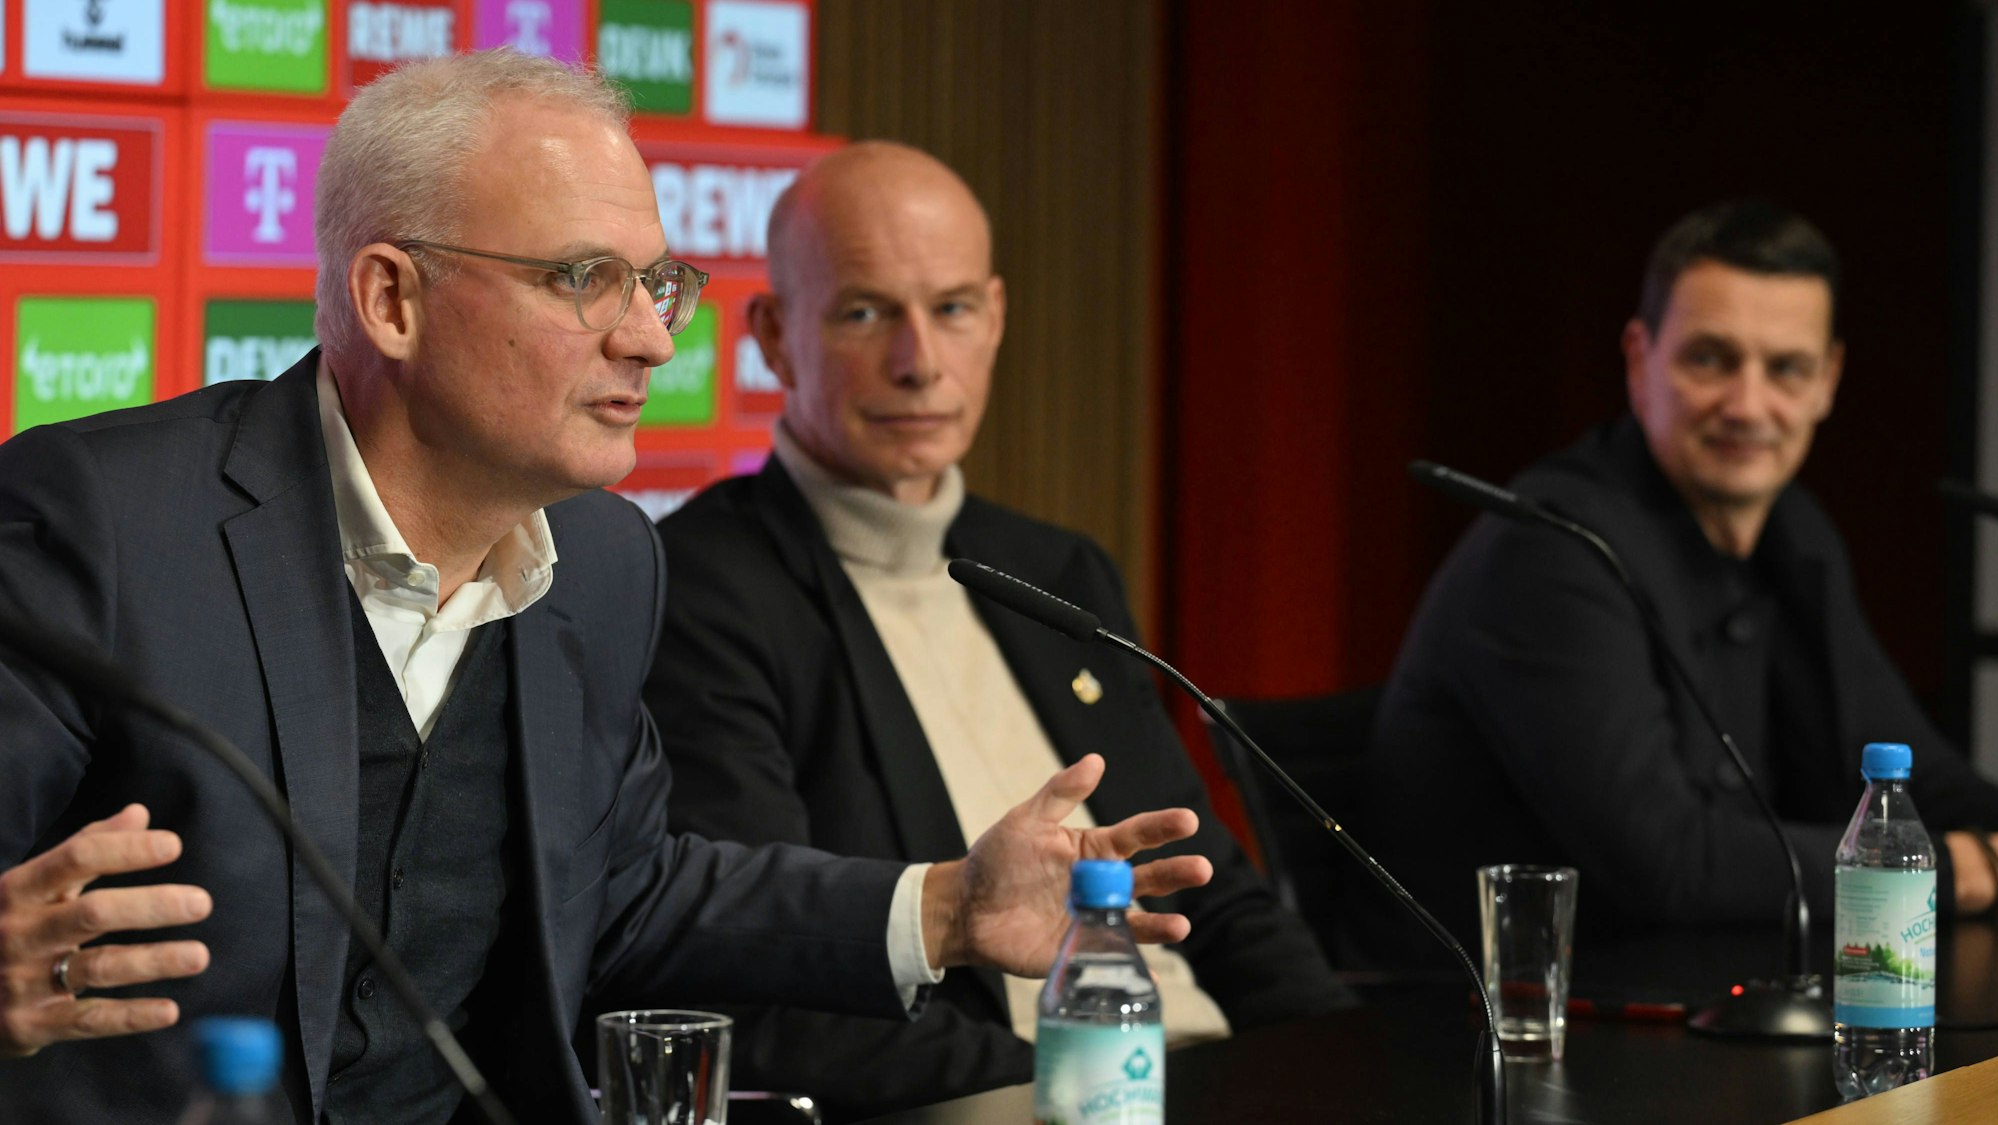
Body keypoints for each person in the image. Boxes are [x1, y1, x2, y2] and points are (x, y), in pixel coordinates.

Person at [0, 53, 1212, 1124]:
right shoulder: (106, 524)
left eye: (656, 284)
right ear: (392, 299)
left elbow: (624, 894)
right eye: (585, 279)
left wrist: (945, 907)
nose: (650, 340)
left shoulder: (604, 562)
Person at [644, 140, 1347, 1121]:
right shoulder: (703, 592)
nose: (917, 361)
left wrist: (1345, 1063)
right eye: (863, 312)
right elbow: (769, 979)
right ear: (771, 333)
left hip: (1202, 1082)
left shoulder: (1058, 570)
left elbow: (1216, 897)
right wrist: (1071, 1091)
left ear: (996, 318)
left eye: (951, 309)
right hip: (1019, 1096)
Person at [1367, 200, 1998, 954]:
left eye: (1787, 368)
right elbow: (1664, 862)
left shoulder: (1795, 531)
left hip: (1702, 992)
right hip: (1496, 1026)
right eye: (1711, 359)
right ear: (1640, 360)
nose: (1748, 404)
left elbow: (1908, 768)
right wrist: (1949, 868)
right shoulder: (1550, 549)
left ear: (1829, 379)